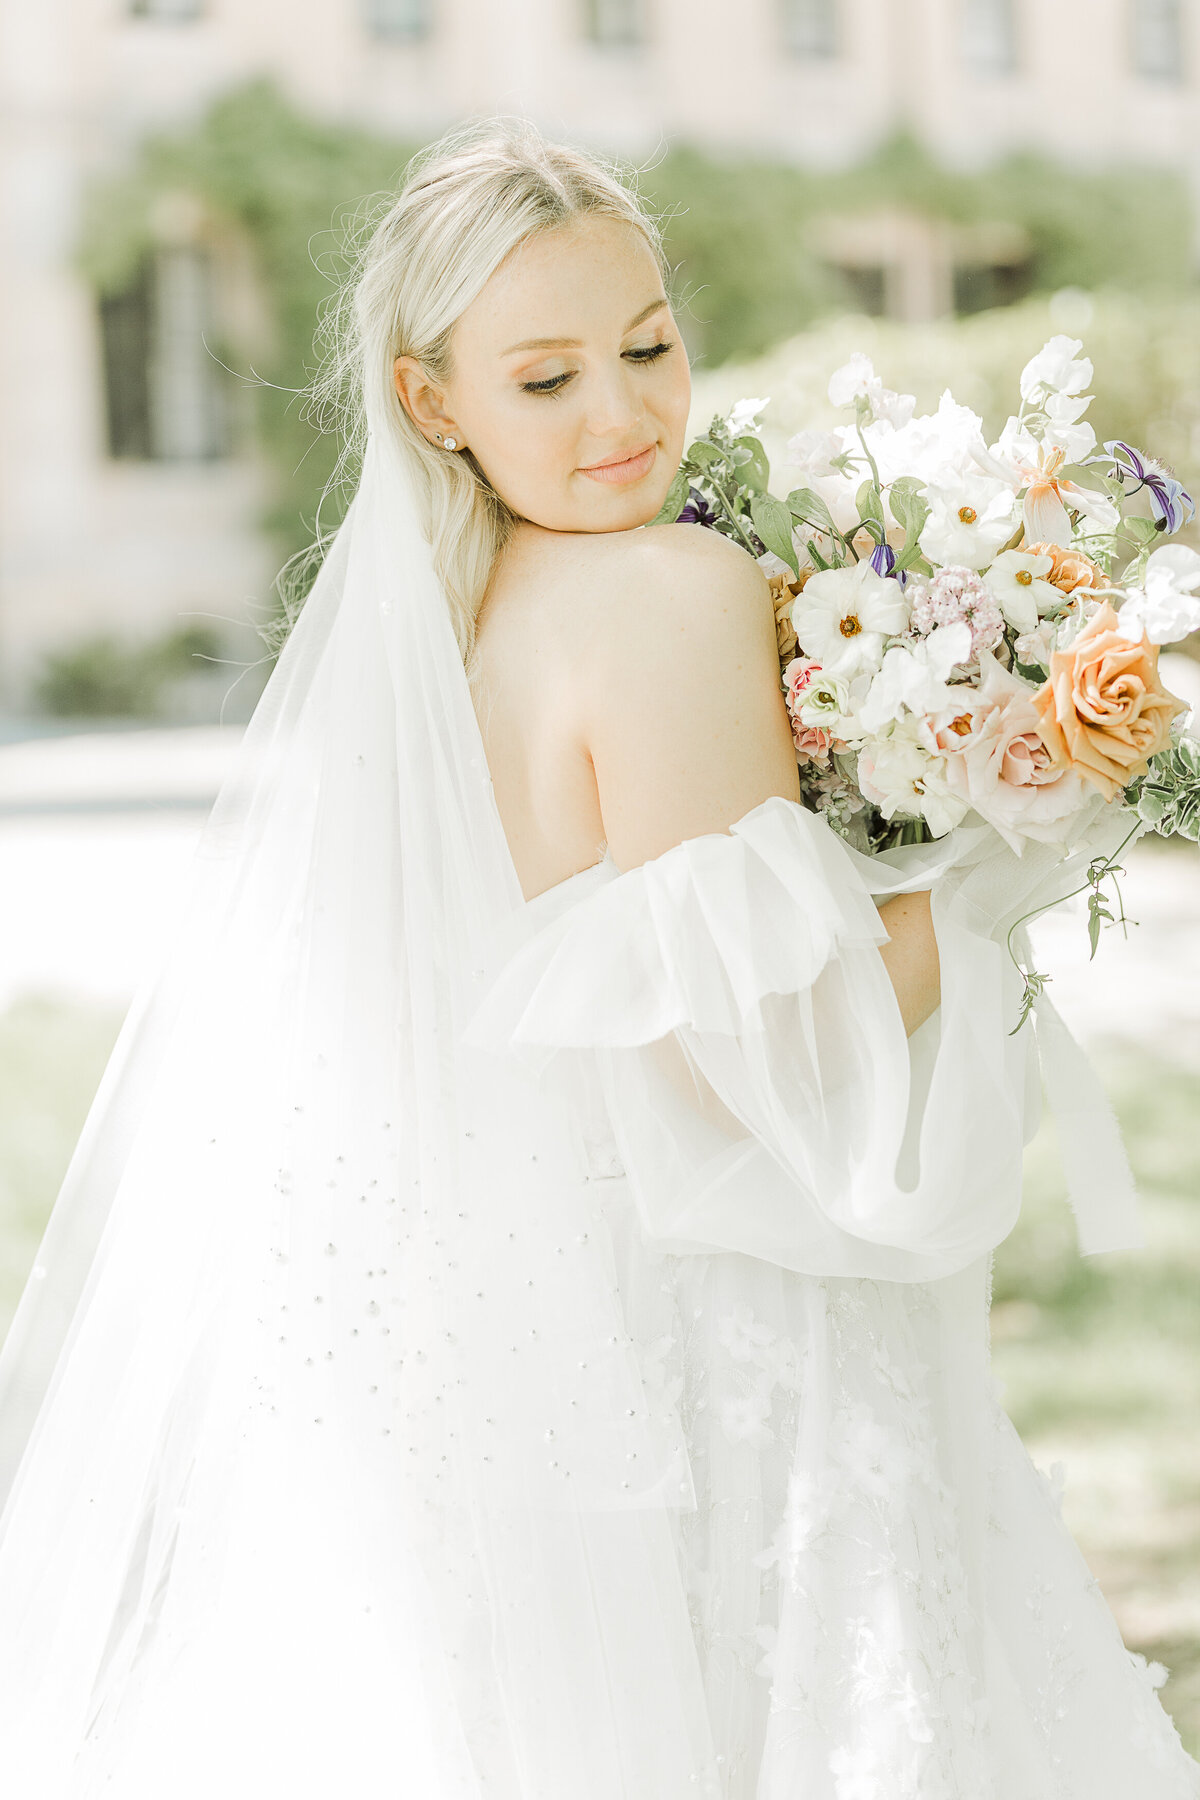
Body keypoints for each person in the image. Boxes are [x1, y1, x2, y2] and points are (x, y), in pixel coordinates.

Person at [0, 116, 1195, 1799]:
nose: (626, 414)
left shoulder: (453, 625)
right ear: (435, 401)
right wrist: (1016, 843)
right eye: (547, 379)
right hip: (719, 1367)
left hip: (497, 1388)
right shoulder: (668, 589)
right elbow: (755, 1066)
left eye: (647, 345)